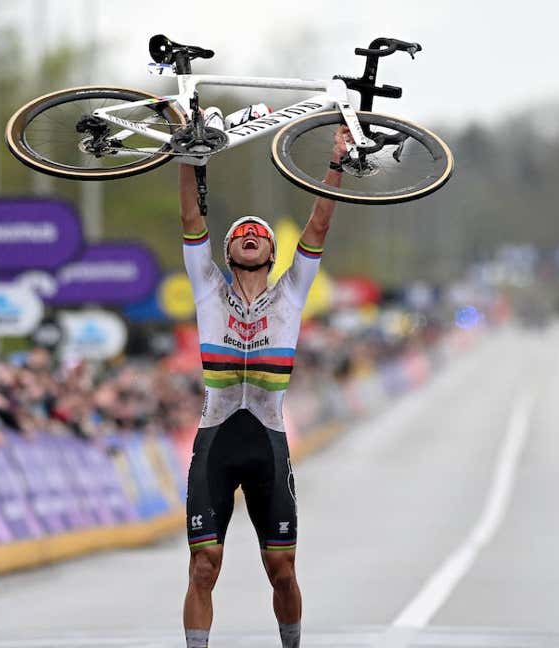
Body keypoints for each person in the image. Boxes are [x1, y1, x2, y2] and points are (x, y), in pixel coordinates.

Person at [179, 127, 349, 648]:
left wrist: (336, 163)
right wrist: (188, 158)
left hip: (269, 443)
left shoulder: (292, 294)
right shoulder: (208, 288)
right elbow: (191, 219)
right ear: (229, 251)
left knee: (282, 569)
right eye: (240, 232)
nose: (250, 233)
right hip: (216, 443)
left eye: (259, 232)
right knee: (204, 565)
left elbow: (320, 222)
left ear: (273, 251)